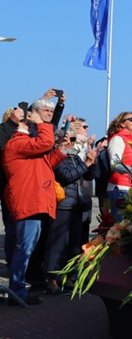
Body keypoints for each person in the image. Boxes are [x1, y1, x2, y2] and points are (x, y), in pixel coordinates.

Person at [2, 103, 68, 305]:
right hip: (29, 201)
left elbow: (46, 161)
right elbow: (45, 143)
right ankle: (17, 290)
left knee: (26, 247)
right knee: (24, 247)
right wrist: (41, 124)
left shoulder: (25, 146)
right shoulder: (16, 143)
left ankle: (18, 288)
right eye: (29, 123)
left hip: (34, 201)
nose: (33, 126)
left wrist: (62, 150)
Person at [44, 118, 98, 294]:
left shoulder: (74, 157)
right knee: (58, 244)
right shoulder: (58, 155)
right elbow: (66, 176)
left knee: (75, 244)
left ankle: (71, 278)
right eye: (70, 140)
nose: (72, 144)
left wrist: (91, 162)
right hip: (63, 204)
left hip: (77, 204)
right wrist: (86, 164)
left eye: (74, 140)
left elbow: (89, 176)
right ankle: (52, 278)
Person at [105, 111, 132, 219]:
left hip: (131, 186)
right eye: (131, 119)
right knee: (121, 226)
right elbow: (115, 163)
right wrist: (130, 171)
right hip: (121, 188)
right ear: (122, 123)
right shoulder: (118, 139)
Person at [1, 105, 25, 268]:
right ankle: (11, 259)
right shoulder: (8, 141)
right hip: (7, 186)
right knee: (11, 225)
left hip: (18, 186)